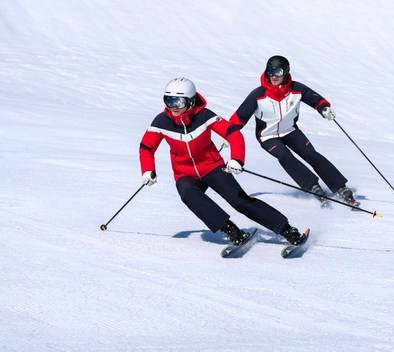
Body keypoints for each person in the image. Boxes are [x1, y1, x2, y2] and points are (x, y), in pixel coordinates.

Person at [139, 77, 306, 247]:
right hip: (184, 173)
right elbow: (146, 147)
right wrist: (147, 169)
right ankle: (232, 231)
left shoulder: (204, 116)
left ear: (190, 101)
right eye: (168, 100)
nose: (173, 107)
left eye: (178, 102)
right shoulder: (161, 122)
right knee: (188, 194)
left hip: (212, 167)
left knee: (239, 201)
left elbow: (233, 134)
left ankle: (286, 230)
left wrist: (236, 159)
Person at [229, 55, 358, 206]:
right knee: (284, 156)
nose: (273, 75)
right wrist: (229, 134)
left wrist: (324, 108)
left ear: (285, 72)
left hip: (290, 131)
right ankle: (312, 186)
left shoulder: (296, 89)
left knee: (311, 154)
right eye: (270, 71)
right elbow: (239, 117)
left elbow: (315, 99)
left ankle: (340, 187)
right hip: (267, 136)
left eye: (277, 71)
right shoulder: (258, 95)